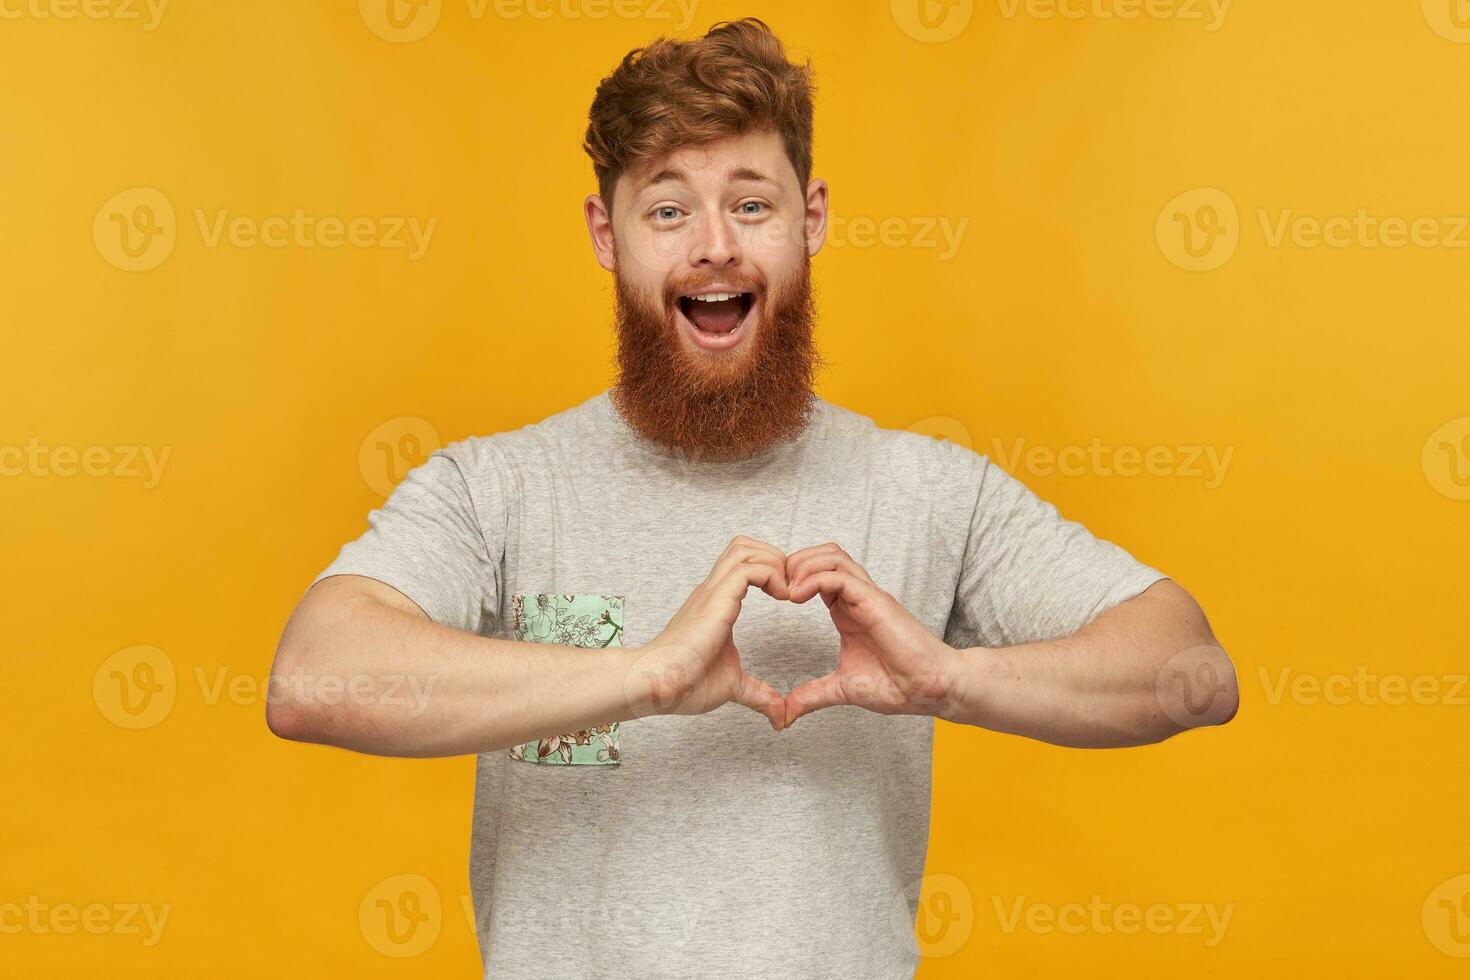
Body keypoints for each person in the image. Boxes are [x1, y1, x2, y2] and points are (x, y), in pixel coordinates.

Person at [265, 17, 1238, 978]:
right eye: (668, 209)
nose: (715, 247)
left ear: (810, 219)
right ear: (608, 235)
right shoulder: (498, 490)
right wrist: (645, 674)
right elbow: (314, 679)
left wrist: (949, 678)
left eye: (752, 205)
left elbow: (1192, 668)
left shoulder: (929, 488)